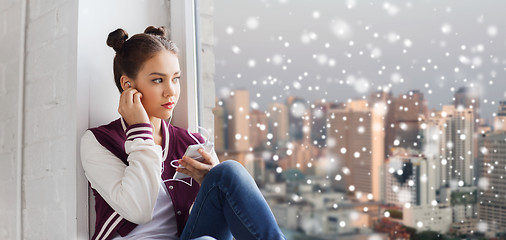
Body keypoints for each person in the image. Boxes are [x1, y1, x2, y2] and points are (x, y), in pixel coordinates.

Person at [80, 26, 286, 240]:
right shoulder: (99, 141)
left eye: (175, 78)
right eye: (158, 80)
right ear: (128, 84)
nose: (171, 91)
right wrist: (140, 131)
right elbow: (138, 210)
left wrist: (209, 183)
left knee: (227, 172)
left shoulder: (191, 143)